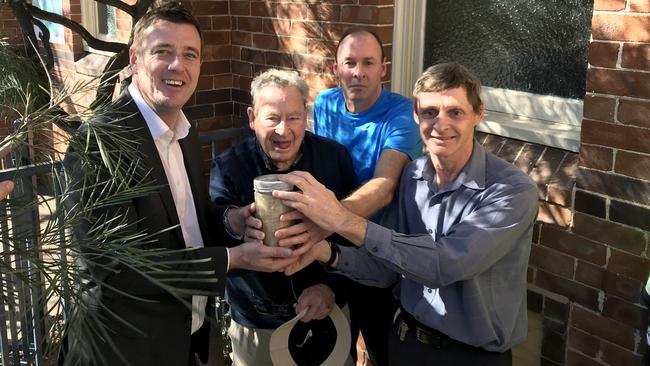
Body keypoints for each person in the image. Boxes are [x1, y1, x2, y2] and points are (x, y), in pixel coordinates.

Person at [62, 4, 296, 366]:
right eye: (163, 52)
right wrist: (232, 259)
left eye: (190, 54)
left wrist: (229, 221)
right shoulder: (98, 144)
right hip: (126, 351)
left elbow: (187, 222)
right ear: (135, 58)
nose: (178, 66)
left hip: (188, 339)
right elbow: (116, 271)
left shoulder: (185, 131)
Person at [275, 63, 539, 366]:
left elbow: (443, 264)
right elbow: (387, 268)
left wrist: (341, 219)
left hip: (469, 356)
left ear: (479, 113)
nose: (440, 124)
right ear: (415, 115)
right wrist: (323, 250)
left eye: (455, 112)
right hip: (404, 343)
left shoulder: (511, 190)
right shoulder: (413, 175)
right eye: (429, 112)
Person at [285, 27, 422, 366]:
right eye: (350, 63)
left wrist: (324, 223)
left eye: (368, 63)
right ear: (336, 68)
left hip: (378, 250)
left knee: (381, 348)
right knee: (332, 343)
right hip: (331, 250)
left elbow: (384, 186)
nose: (358, 72)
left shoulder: (401, 114)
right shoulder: (326, 103)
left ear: (383, 69)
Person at [208, 68, 357, 366]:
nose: (283, 131)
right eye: (272, 118)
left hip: (326, 312)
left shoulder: (334, 158)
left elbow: (353, 237)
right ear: (252, 118)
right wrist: (234, 221)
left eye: (293, 117)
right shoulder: (229, 166)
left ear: (306, 116)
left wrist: (332, 288)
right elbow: (214, 238)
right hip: (256, 324)